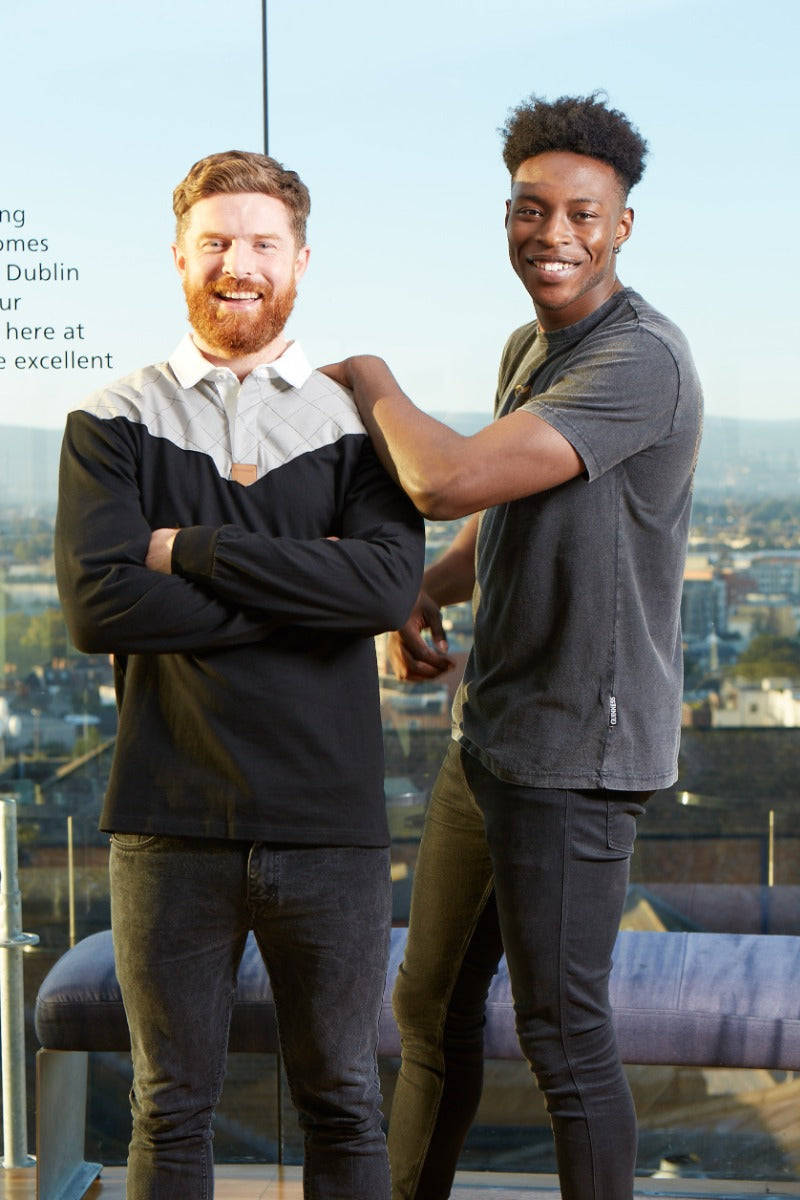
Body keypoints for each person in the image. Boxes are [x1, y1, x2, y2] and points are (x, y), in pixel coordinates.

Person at [322, 93, 703, 1200]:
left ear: (621, 225)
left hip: (579, 756)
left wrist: (373, 382)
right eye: (530, 211)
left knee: (562, 1039)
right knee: (427, 1005)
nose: (554, 235)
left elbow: (444, 479)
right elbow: (504, 514)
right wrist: (415, 592)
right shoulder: (528, 346)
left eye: (581, 213)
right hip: (490, 737)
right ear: (506, 216)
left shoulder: (641, 360)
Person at [54, 149, 424, 1200]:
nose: (238, 263)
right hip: (168, 820)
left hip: (328, 824)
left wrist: (191, 550)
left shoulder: (360, 432)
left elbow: (378, 595)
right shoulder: (111, 418)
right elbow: (100, 607)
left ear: (299, 260)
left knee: (344, 1103)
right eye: (216, 241)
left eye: (262, 242)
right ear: (179, 256)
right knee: (170, 1111)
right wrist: (306, 591)